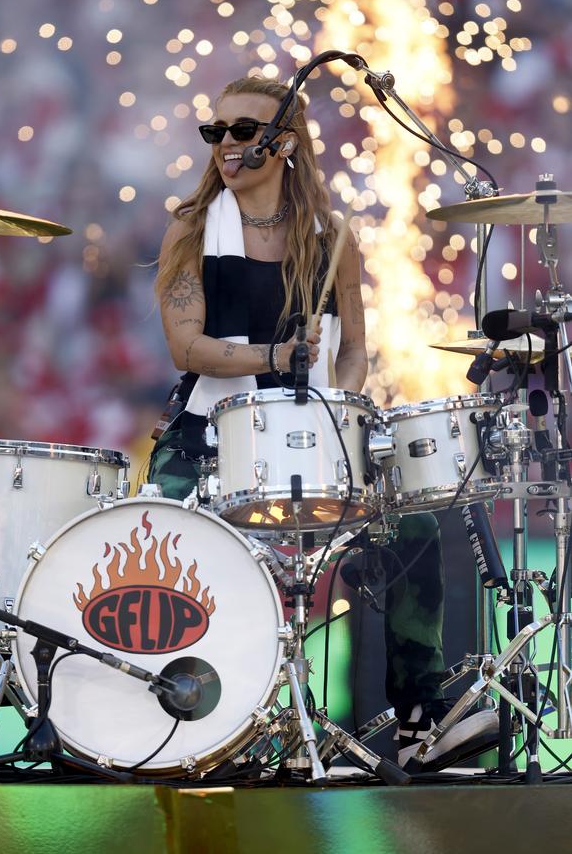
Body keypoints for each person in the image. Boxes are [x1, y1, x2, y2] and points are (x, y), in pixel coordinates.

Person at [148, 74, 498, 769]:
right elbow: (185, 347)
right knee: (157, 535)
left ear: (285, 145)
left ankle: (419, 715)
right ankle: (183, 720)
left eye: (241, 132)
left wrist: (340, 408)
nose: (224, 146)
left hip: (312, 438)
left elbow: (358, 347)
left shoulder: (331, 235)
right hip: (207, 437)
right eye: (214, 132)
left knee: (415, 528)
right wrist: (275, 355)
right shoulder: (190, 228)